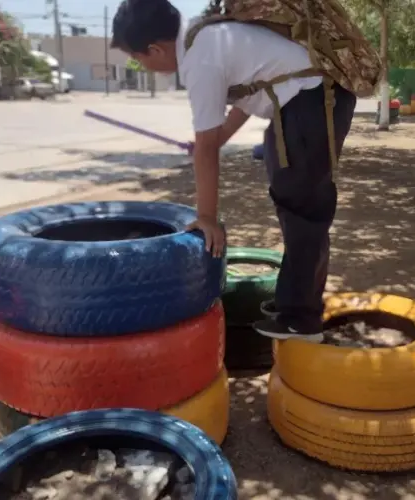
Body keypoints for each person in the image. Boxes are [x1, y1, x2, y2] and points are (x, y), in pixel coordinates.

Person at [110, 0, 358, 343]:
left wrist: (207, 217)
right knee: (291, 200)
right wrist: (215, 138)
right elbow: (248, 95)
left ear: (154, 49)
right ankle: (294, 301)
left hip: (313, 101)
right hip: (302, 103)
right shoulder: (206, 37)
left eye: (138, 58)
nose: (142, 65)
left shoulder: (200, 56)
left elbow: (207, 148)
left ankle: (301, 319)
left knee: (304, 208)